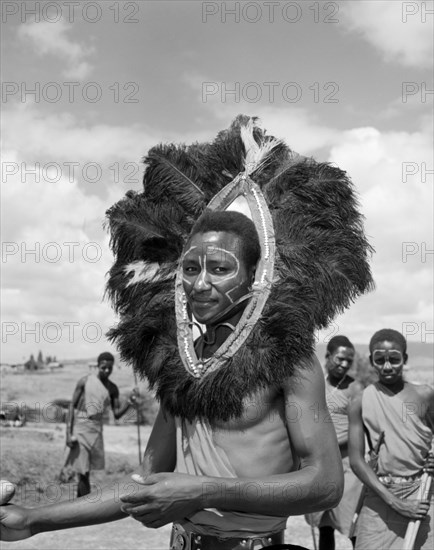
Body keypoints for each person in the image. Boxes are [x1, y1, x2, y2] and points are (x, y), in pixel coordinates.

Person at [0, 116, 374, 549]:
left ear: (257, 275)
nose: (199, 283)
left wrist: (202, 491)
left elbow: (324, 484)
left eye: (219, 268)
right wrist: (34, 520)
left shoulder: (289, 359)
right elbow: (144, 481)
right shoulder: (183, 360)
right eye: (191, 268)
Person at [348, 328, 434, 550]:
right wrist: (395, 502)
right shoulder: (360, 400)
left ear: (404, 359)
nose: (387, 366)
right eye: (380, 360)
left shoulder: (424, 394)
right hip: (381, 493)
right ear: (372, 361)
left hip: (423, 492)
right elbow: (356, 461)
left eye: (394, 359)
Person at [306, 335, 363, 550]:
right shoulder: (314, 384)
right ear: (328, 356)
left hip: (348, 464)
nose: (344, 364)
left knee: (352, 524)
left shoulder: (355, 389)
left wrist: (330, 445)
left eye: (349, 360)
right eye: (340, 359)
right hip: (319, 465)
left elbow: (358, 429)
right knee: (323, 523)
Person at [64, 352, 138, 497]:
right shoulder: (84, 381)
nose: (106, 371)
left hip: (97, 428)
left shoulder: (112, 388)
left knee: (87, 471)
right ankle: (84, 508)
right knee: (83, 471)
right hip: (80, 427)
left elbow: (117, 413)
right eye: (103, 367)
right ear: (98, 366)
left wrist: (129, 402)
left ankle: (79, 507)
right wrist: (68, 433)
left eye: (109, 368)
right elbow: (72, 406)